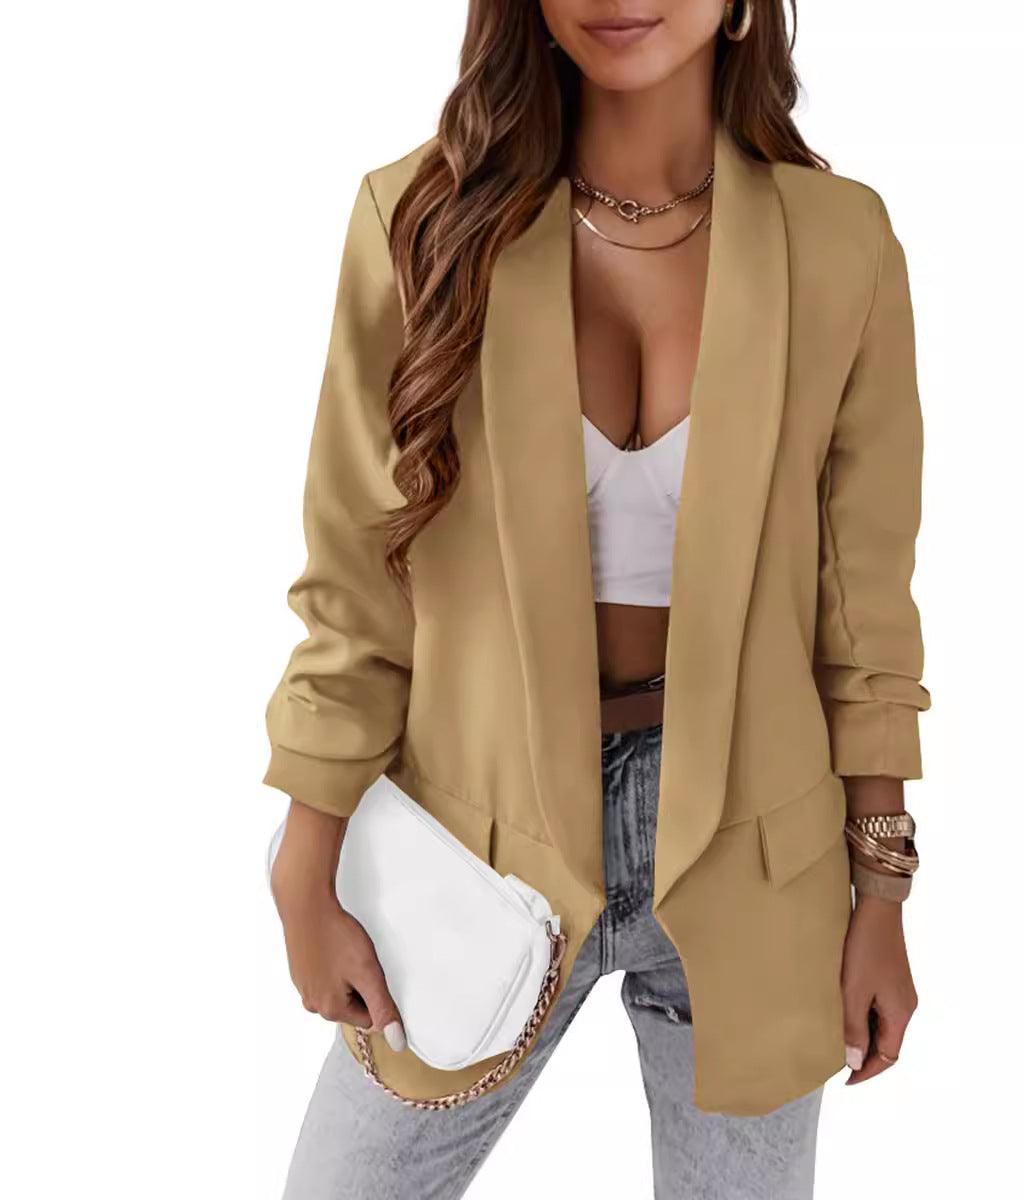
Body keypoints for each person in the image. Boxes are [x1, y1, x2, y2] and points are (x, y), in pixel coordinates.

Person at [263, 2, 930, 1196]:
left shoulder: (841, 247)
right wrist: (303, 856)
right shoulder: (420, 220)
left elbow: (864, 610)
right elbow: (357, 582)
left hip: (756, 850)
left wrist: (881, 889)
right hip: (481, 837)